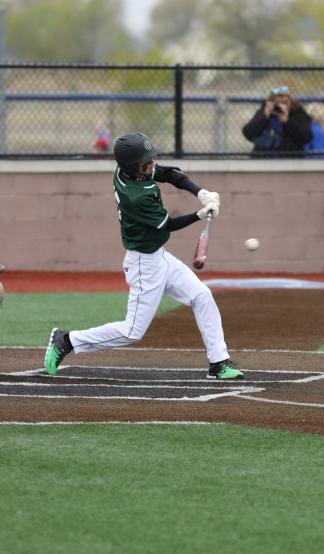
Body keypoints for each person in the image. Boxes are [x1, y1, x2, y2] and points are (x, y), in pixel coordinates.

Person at [43, 132, 243, 380]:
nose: (151, 163)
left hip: (159, 256)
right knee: (132, 331)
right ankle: (67, 340)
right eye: (145, 161)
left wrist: (200, 192)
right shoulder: (136, 196)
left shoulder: (128, 171)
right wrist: (199, 215)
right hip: (144, 263)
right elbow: (168, 224)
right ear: (132, 165)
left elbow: (170, 174)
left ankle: (218, 362)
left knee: (202, 296)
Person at [241, 85, 313, 156]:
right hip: (263, 158)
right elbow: (248, 133)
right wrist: (264, 117)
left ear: (290, 102)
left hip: (289, 158)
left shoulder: (298, 113)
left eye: (285, 103)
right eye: (278, 103)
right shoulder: (265, 112)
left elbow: (307, 137)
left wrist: (287, 122)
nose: (282, 106)